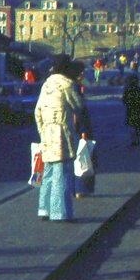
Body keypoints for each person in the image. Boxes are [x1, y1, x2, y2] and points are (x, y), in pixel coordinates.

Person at [34, 56, 86, 222]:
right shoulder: (67, 84)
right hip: (62, 132)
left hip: (47, 131)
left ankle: (44, 209)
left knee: (47, 171)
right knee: (61, 173)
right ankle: (60, 212)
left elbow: (37, 111)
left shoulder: (46, 84)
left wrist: (42, 130)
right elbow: (78, 106)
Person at [74, 80, 95, 198]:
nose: (83, 89)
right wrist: (83, 131)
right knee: (81, 161)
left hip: (74, 132)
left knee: (79, 161)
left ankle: (78, 189)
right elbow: (78, 117)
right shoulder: (78, 101)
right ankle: (80, 189)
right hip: (79, 132)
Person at [123, 76, 140, 146]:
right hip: (138, 110)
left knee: (132, 126)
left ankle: (134, 139)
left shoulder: (128, 89)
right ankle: (137, 139)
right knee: (137, 125)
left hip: (131, 110)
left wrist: (129, 104)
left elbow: (124, 100)